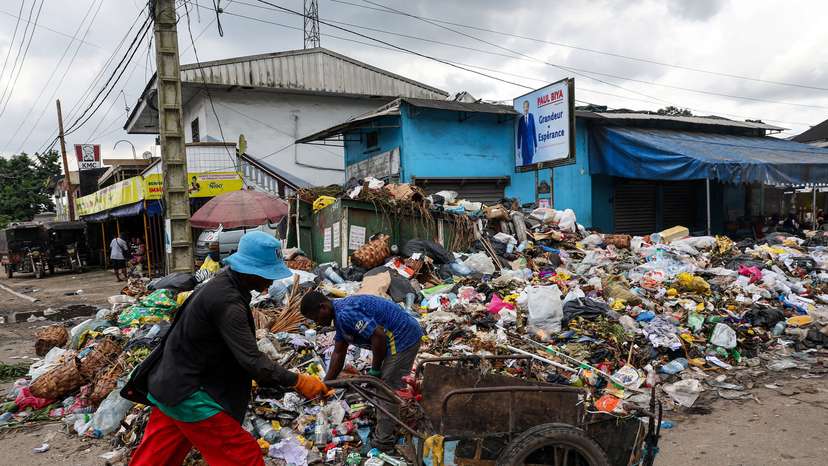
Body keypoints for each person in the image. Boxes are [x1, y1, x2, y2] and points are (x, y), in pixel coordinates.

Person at [127, 231, 330, 466]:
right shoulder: (228, 302)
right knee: (245, 457)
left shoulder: (220, 286)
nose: (271, 282)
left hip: (168, 383)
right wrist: (299, 381)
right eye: (267, 275)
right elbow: (252, 360)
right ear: (250, 271)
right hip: (189, 393)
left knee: (155, 459)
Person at [300, 292, 423, 452]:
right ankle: (389, 425)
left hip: (403, 337)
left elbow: (379, 336)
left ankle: (383, 441)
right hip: (397, 338)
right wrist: (326, 384)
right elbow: (338, 352)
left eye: (316, 318)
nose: (317, 323)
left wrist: (375, 370)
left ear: (323, 307)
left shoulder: (345, 314)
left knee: (386, 388)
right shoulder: (339, 316)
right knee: (382, 386)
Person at [516, 100, 537, 166]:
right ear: (523, 108)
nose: (526, 109)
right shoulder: (521, 120)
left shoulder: (531, 116)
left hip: (530, 145)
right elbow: (519, 135)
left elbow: (534, 131)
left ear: (528, 107)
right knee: (525, 164)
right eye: (524, 107)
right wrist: (518, 148)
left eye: (527, 107)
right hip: (524, 147)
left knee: (530, 163)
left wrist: (536, 145)